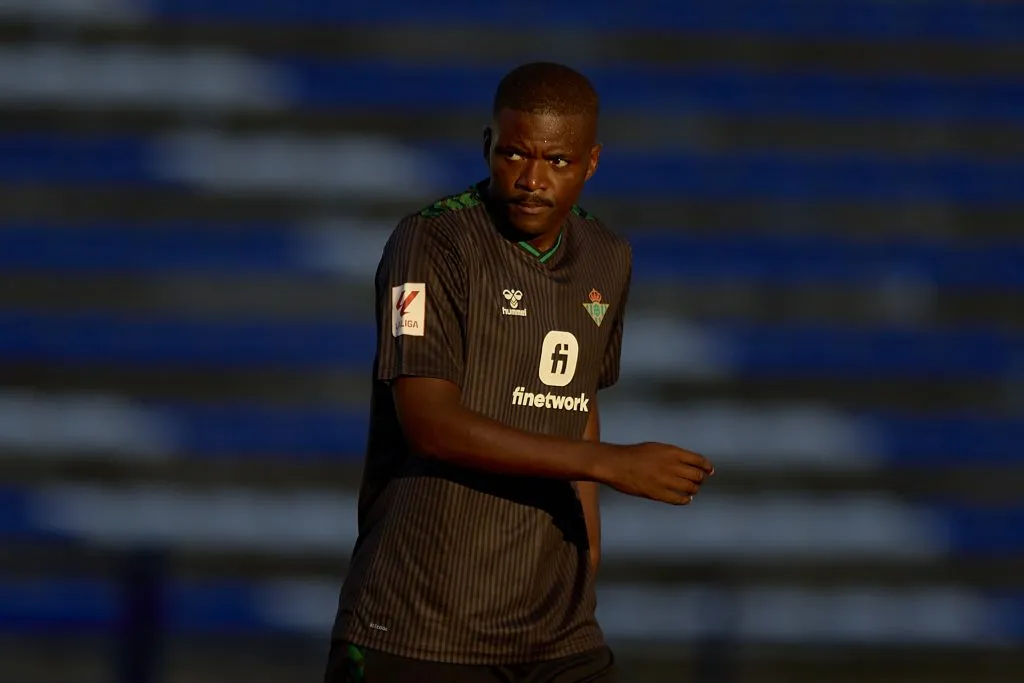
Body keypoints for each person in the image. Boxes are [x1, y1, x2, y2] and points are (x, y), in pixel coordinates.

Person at [324, 61, 714, 683]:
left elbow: (578, 402)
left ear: (590, 163)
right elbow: (429, 424)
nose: (532, 179)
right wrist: (609, 464)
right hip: (423, 623)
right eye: (513, 154)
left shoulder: (607, 256)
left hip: (556, 632)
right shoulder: (431, 243)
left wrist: (588, 551)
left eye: (557, 161)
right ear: (488, 146)